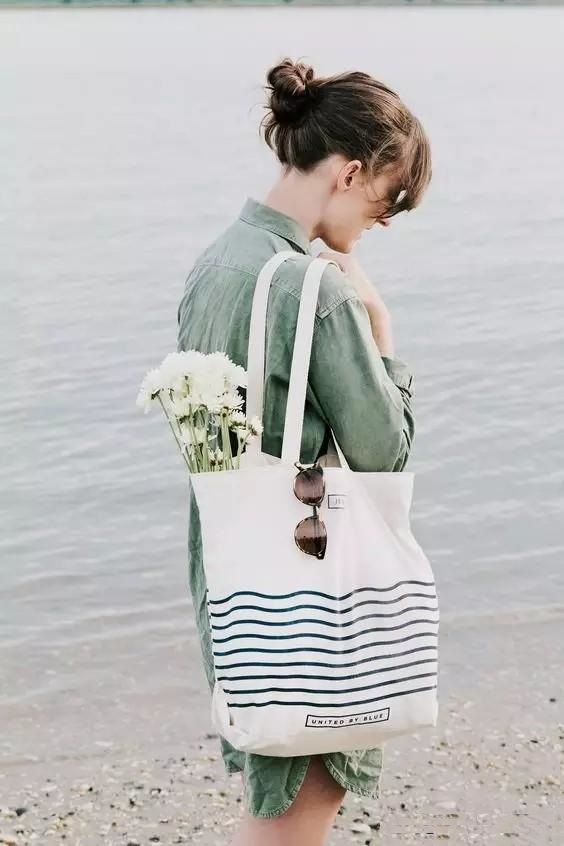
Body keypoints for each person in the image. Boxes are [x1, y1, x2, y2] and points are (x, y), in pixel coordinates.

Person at [176, 56, 432, 846]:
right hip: (310, 581)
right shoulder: (312, 288)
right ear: (352, 173)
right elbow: (384, 453)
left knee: (278, 790)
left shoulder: (217, 263)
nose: (381, 223)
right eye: (387, 202)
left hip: (235, 574)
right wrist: (380, 331)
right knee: (298, 805)